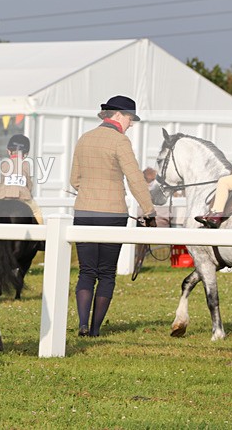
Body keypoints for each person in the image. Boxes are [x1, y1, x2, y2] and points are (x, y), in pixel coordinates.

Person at [69, 95, 156, 337]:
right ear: (118, 115)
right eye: (130, 118)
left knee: (86, 271)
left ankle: (82, 324)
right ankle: (96, 330)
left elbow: (73, 180)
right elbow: (135, 178)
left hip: (84, 212)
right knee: (106, 272)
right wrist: (148, 210)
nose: (131, 124)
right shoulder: (120, 141)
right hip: (112, 214)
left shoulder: (84, 139)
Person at [0, 134, 42, 224]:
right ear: (26, 154)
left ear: (8, 151)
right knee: (37, 212)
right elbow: (29, 185)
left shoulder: (3, 164)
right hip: (22, 197)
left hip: (3, 195)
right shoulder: (26, 165)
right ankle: (41, 235)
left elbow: (0, 183)